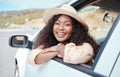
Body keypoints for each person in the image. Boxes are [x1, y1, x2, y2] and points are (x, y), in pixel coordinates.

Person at [28, 4, 100, 66]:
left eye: (67, 24)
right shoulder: (49, 43)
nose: (61, 28)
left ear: (75, 28)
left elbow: (76, 56)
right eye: (57, 23)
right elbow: (33, 57)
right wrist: (58, 50)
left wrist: (58, 48)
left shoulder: (85, 46)